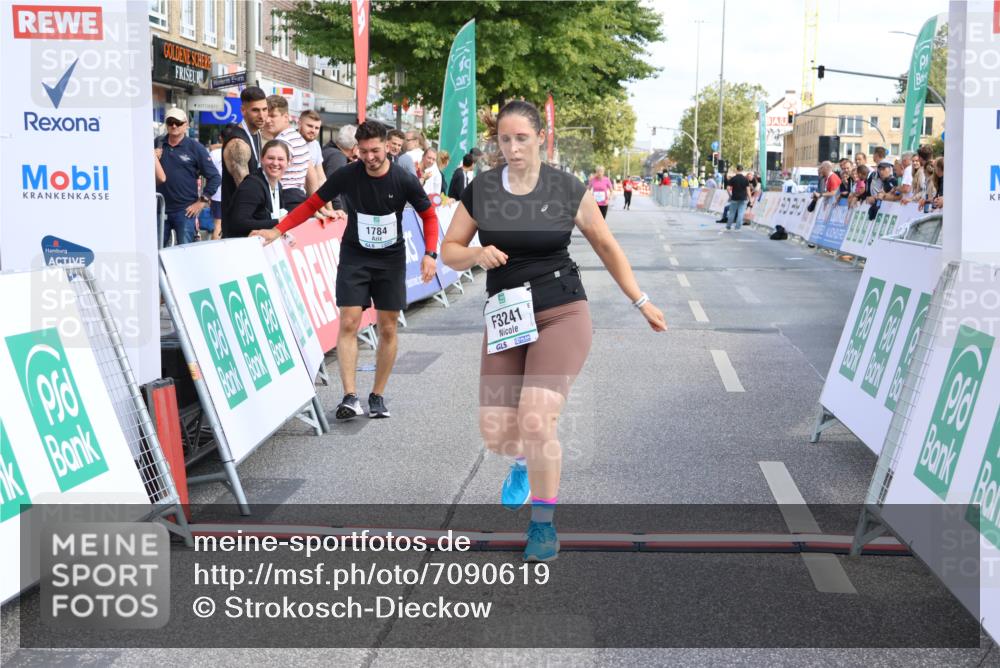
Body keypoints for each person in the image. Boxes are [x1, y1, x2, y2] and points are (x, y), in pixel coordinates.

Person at [439, 101, 667, 562]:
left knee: (537, 418)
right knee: (498, 433)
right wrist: (476, 255)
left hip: (561, 310)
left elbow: (605, 244)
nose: (512, 147)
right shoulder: (482, 190)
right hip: (506, 315)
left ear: (540, 138)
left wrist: (640, 300)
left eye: (522, 138)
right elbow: (449, 249)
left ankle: (542, 524)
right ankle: (522, 462)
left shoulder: (565, 187)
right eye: (504, 139)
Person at [251, 121, 439, 421]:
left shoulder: (403, 179)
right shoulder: (348, 174)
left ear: (387, 147)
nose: (369, 157)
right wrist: (277, 230)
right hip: (355, 255)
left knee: (388, 326)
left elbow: (428, 216)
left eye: (375, 150)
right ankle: (350, 396)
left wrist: (430, 253)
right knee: (349, 320)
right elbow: (311, 204)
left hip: (390, 259)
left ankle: (377, 395)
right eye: (363, 151)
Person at [155, 108, 220, 246]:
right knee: (155, 251)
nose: (174, 126)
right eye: (170, 122)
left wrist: (201, 202)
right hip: (159, 208)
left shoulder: (195, 148)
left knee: (186, 251)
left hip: (185, 211)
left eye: (178, 122)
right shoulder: (157, 144)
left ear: (186, 125)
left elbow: (215, 177)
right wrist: (153, 157)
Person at [222, 86, 268, 232]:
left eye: (265, 109)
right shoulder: (238, 144)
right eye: (255, 110)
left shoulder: (258, 134)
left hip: (256, 219)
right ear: (243, 110)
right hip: (240, 226)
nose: (262, 115)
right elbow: (246, 192)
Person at [223, 140, 292, 238]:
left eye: (280, 159)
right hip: (240, 244)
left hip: (263, 244)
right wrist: (277, 223)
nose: (275, 163)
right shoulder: (252, 186)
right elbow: (238, 223)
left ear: (288, 162)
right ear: (261, 159)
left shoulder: (278, 186)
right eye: (270, 158)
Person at [264, 95, 313, 208]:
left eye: (273, 116)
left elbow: (271, 176)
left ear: (286, 117)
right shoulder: (297, 137)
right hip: (298, 198)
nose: (267, 120)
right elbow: (312, 176)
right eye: (266, 116)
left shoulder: (282, 142)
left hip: (283, 199)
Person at [298, 109, 326, 191]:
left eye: (317, 128)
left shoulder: (316, 145)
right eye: (310, 126)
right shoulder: (292, 141)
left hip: (311, 194)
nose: (313, 130)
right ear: (299, 124)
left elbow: (321, 177)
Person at [722, 164, 751, 232]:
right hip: (743, 198)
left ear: (736, 169)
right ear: (742, 170)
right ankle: (737, 228)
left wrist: (730, 196)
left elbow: (728, 188)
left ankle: (728, 227)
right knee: (741, 213)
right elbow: (748, 190)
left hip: (734, 198)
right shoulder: (745, 179)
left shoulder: (733, 178)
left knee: (732, 213)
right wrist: (750, 199)